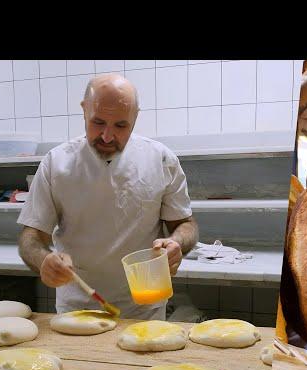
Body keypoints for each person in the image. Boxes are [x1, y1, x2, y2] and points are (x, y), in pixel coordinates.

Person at [17, 73, 199, 320]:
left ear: (135, 118)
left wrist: (177, 243)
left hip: (144, 309)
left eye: (121, 126)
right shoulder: (56, 163)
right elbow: (31, 237)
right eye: (98, 122)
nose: (107, 136)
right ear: (84, 110)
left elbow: (185, 225)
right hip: (78, 309)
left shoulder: (161, 160)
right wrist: (43, 261)